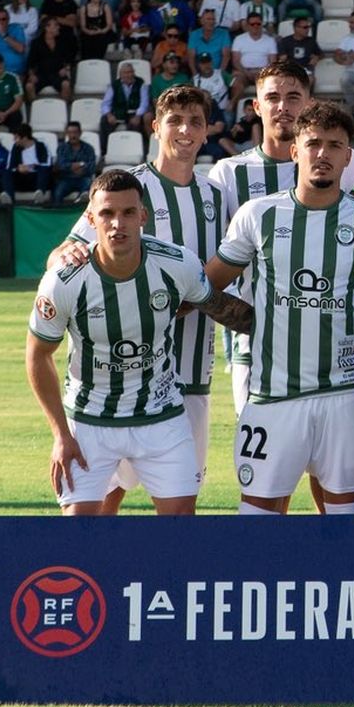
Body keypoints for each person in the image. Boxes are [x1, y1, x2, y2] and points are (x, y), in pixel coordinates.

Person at [205, 101, 354, 515]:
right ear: (295, 150)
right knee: (258, 519)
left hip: (343, 396)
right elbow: (206, 286)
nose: (323, 154)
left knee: (346, 524)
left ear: (347, 157)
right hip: (271, 397)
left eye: (334, 145)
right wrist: (252, 322)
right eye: (313, 143)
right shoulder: (257, 215)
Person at [27, 169, 249, 515]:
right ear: (91, 219)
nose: (118, 224)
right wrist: (60, 435)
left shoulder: (177, 264)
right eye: (107, 214)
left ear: (143, 216)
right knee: (76, 539)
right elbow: (38, 356)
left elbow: (222, 308)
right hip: (90, 421)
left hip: (160, 416)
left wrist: (279, 329)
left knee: (179, 530)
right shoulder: (64, 281)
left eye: (128, 212)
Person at [55, 85, 228, 495]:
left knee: (179, 501)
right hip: (116, 385)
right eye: (175, 121)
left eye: (195, 122)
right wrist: (64, 259)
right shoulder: (126, 188)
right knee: (106, 497)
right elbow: (65, 251)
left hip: (190, 377)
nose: (185, 130)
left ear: (206, 132)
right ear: (155, 127)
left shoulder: (216, 197)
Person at [207, 55, 354, 422]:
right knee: (263, 467)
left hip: (329, 347)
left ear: (309, 102)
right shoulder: (228, 173)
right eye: (272, 98)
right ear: (256, 106)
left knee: (328, 470)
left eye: (293, 97)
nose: (282, 107)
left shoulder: (341, 162)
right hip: (254, 345)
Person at [51, 119, 98, 206]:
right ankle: (58, 215)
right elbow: (61, 165)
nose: (73, 135)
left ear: (80, 133)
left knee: (88, 186)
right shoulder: (62, 148)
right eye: (70, 132)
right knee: (57, 193)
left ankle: (77, 209)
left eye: (75, 132)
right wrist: (76, 166)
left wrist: (80, 167)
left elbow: (92, 166)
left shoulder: (88, 148)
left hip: (83, 178)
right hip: (66, 179)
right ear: (67, 133)